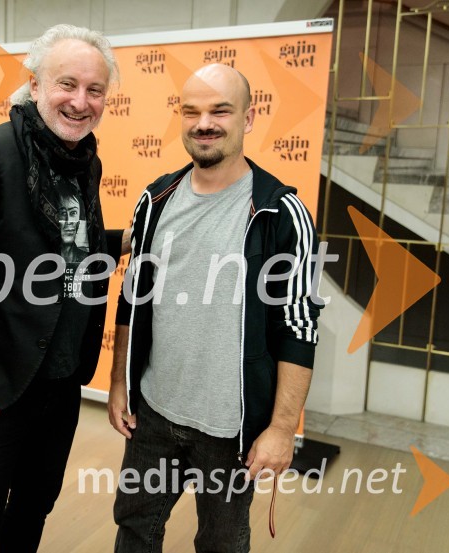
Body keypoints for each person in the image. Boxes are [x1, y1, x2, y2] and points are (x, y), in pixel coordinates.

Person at [0, 24, 127, 553]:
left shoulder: (84, 159)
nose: (81, 102)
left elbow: (69, 248)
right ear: (34, 85)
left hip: (60, 377)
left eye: (95, 90)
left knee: (35, 505)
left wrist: (136, 235)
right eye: (67, 84)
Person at [108, 63, 322, 552]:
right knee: (136, 527)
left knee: (222, 543)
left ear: (248, 119)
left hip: (231, 429)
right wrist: (119, 382)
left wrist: (282, 428)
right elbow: (131, 301)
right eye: (192, 111)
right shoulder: (155, 200)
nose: (204, 123)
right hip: (154, 415)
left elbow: (299, 327)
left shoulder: (280, 214)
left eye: (220, 110)